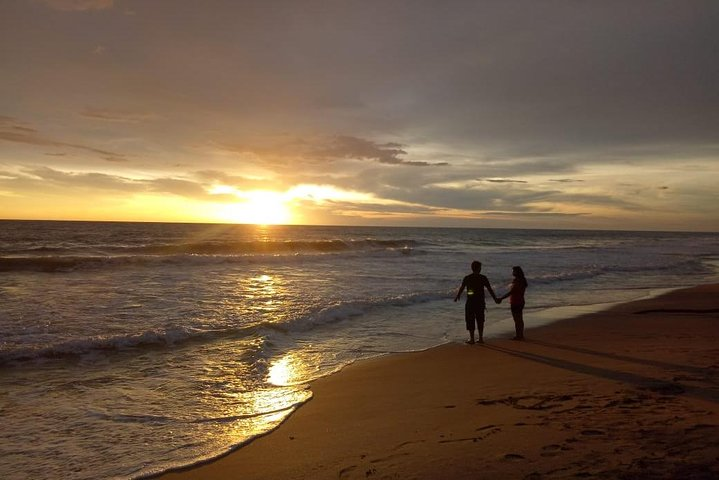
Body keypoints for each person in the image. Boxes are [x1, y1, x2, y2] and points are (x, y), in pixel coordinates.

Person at [454, 261, 498, 344]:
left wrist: (457, 296)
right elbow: (489, 289)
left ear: (472, 268)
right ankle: (481, 338)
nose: (481, 269)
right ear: (478, 268)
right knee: (480, 319)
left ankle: (472, 339)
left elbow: (462, 288)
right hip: (480, 302)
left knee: (470, 320)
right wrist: (495, 298)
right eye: (480, 267)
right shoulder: (483, 278)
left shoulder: (467, 277)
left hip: (470, 301)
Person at [498, 266, 528, 340]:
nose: (512, 272)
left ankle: (519, 335)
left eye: (513, 271)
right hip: (520, 300)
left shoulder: (517, 281)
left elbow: (511, 292)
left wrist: (501, 298)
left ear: (516, 272)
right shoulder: (522, 280)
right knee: (519, 319)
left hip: (516, 301)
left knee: (517, 319)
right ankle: (520, 334)